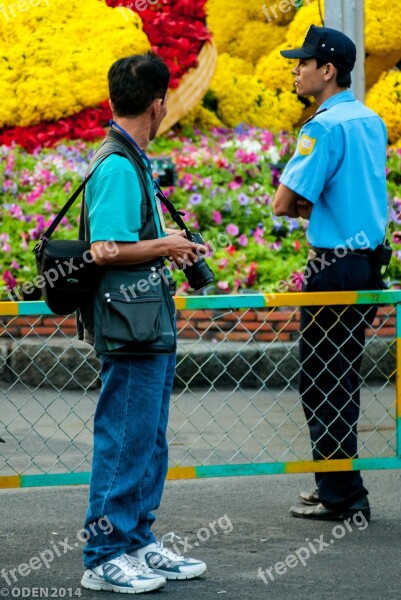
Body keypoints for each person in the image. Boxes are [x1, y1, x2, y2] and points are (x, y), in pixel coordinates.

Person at [79, 53, 207, 594]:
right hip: (128, 325)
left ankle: (137, 542)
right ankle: (104, 554)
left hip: (144, 320)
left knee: (148, 441)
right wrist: (168, 245)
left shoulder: (131, 158)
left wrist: (160, 249)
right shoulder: (116, 164)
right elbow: (105, 248)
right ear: (158, 105)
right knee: (126, 439)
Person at [273, 25, 388, 521]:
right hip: (365, 264)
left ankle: (343, 495)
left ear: (328, 70)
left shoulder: (321, 127)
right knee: (340, 375)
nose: (296, 70)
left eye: (303, 62)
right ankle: (337, 484)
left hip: (332, 267)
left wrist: (310, 209)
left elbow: (283, 202)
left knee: (320, 378)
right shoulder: (370, 120)